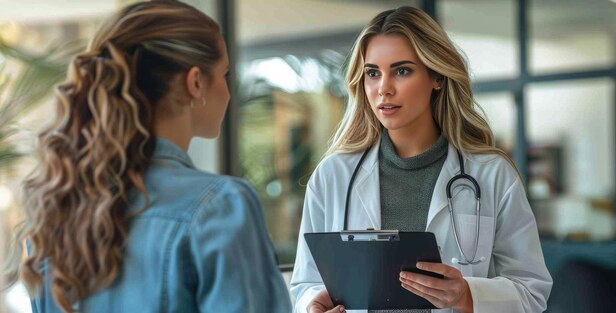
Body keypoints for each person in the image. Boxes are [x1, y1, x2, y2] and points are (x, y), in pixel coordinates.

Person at [15, 1, 291, 312]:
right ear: (195, 82)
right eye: (225, 73)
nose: (229, 91)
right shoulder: (221, 206)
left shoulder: (59, 212)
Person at [290, 6, 552, 313]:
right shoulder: (333, 175)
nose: (383, 88)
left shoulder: (491, 174)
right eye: (373, 73)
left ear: (437, 77)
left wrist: (467, 295)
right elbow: (305, 284)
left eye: (402, 71)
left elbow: (532, 291)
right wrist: (311, 306)